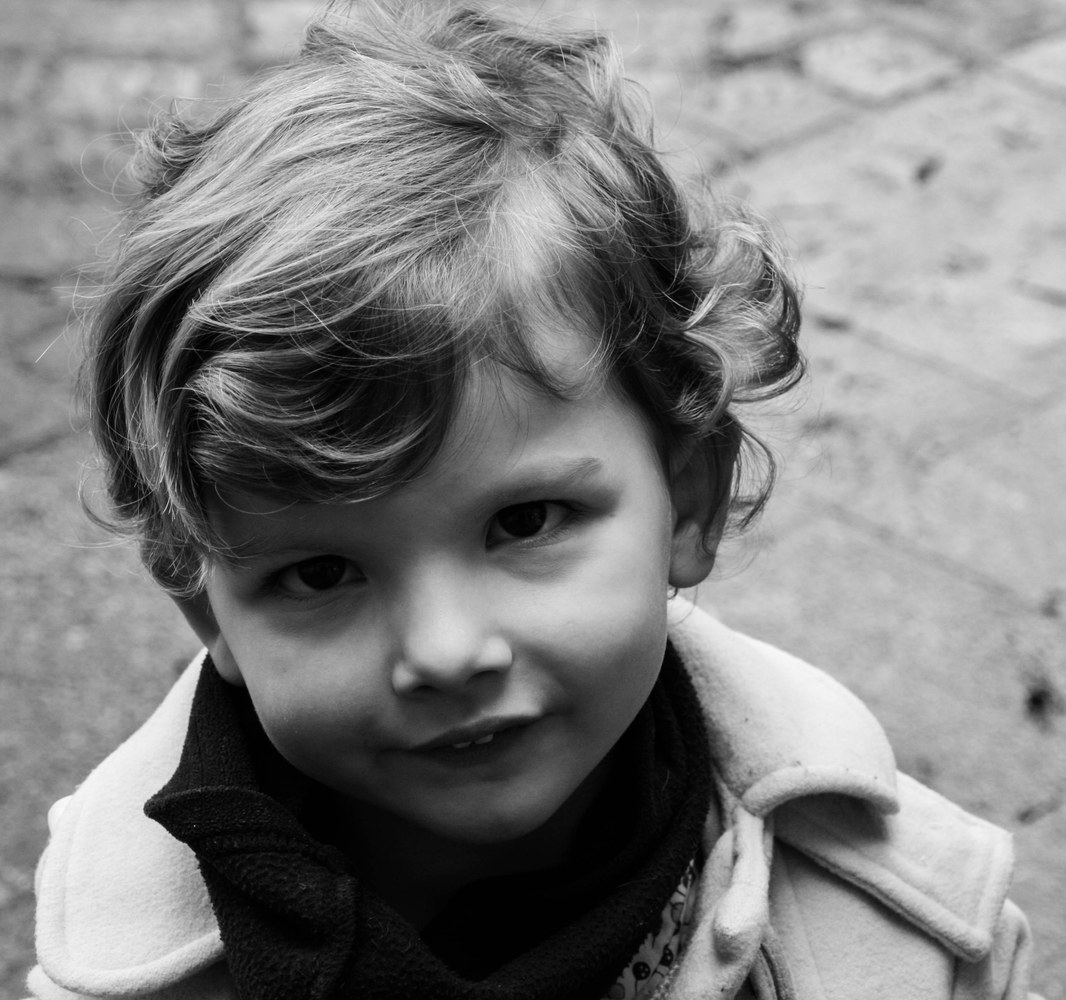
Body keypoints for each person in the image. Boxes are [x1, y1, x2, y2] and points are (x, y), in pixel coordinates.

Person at [27, 2, 1038, 998]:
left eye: (523, 522)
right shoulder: (115, 959)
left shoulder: (912, 925)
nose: (444, 652)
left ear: (689, 497)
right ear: (205, 606)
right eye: (321, 572)